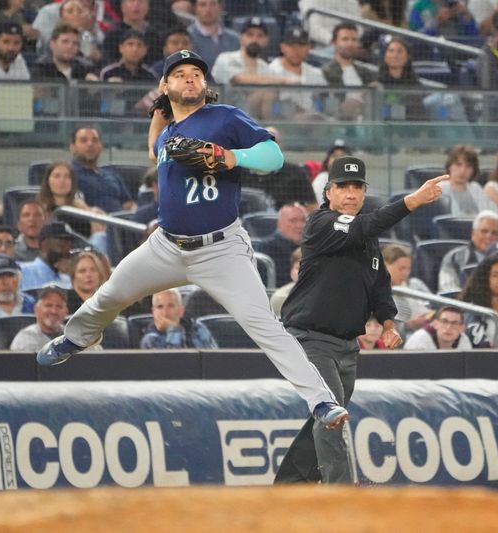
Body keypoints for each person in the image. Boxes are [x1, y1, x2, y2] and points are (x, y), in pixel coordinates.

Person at [38, 49, 351, 431]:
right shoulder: (170, 134)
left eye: (196, 74)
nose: (190, 78)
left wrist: (228, 157)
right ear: (165, 85)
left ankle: (321, 402)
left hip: (222, 249)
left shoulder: (224, 118)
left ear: (205, 84)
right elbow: (156, 151)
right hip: (167, 246)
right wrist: (157, 116)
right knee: (111, 294)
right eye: (180, 73)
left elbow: (273, 157)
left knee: (264, 325)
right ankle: (74, 339)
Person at [274, 155, 450, 484]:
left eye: (357, 187)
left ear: (364, 194)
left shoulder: (367, 239)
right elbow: (365, 225)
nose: (350, 194)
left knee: (328, 413)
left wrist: (388, 322)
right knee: (331, 415)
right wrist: (411, 201)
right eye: (343, 187)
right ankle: (342, 492)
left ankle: (288, 487)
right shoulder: (321, 223)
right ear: (329, 193)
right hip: (311, 338)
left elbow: (379, 282)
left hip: (345, 345)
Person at [437, 210, 498, 293]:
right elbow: (448, 288)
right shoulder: (454, 257)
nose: (489, 237)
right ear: (473, 233)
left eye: (494, 233)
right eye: (484, 231)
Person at [239, 127, 316, 211]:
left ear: (280, 146)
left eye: (274, 142)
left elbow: (312, 205)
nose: (269, 147)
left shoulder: (296, 172)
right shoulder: (242, 172)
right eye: (263, 143)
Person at [37, 160, 107, 250]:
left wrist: (90, 212)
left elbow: (96, 231)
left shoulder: (81, 207)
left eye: (67, 177)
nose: (62, 181)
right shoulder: (40, 208)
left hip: (86, 252)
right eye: (57, 176)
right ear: (48, 181)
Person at [69, 126, 136, 213]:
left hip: (122, 222)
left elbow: (128, 204)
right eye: (84, 140)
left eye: (95, 140)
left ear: (101, 146)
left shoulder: (112, 175)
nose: (90, 144)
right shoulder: (68, 175)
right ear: (72, 147)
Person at [267, 26, 328, 119]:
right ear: (283, 47)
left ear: (308, 48)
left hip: (311, 124)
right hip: (281, 124)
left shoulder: (315, 73)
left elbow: (327, 101)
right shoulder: (270, 71)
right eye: (291, 45)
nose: (296, 50)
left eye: (301, 45)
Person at [139, 288, 217, 349]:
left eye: (171, 306)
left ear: (181, 311)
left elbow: (212, 359)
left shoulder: (197, 328)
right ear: (153, 312)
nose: (165, 313)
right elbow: (175, 364)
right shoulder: (150, 339)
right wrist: (174, 330)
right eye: (160, 307)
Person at [383, 243, 432, 335]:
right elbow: (374, 327)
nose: (405, 273)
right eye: (401, 269)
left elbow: (434, 307)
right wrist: (408, 325)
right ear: (385, 266)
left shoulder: (416, 285)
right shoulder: (373, 292)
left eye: (408, 269)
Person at [377, 35, 427, 122]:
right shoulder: (377, 82)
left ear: (407, 57)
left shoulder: (415, 84)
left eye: (400, 51)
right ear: (385, 56)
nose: (395, 55)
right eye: (391, 51)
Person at [256, 203, 307, 287]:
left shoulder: (314, 245)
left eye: (303, 220)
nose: (300, 225)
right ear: (279, 224)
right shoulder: (267, 248)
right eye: (293, 220)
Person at [10, 285, 69, 351]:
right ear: (36, 309)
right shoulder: (25, 338)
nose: (54, 311)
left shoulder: (73, 335)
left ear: (66, 312)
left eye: (59, 306)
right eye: (48, 305)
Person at [101, 0, 162, 65]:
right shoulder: (113, 34)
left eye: (141, 1)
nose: (136, 5)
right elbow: (109, 61)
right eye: (131, 1)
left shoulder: (154, 34)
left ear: (148, 7)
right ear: (122, 7)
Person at [440, 144, 494, 216]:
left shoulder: (476, 188)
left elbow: (491, 214)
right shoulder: (439, 189)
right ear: (450, 166)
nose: (463, 171)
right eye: (458, 164)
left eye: (468, 166)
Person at [20, 221, 75, 291]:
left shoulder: (69, 279)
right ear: (44, 245)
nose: (67, 250)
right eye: (62, 244)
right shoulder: (22, 271)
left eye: (70, 245)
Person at [187, 0, 239, 73]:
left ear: (221, 7)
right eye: (203, 5)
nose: (208, 9)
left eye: (213, 4)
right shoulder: (187, 37)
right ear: (195, 8)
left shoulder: (234, 38)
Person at [404, 305, 473, 350]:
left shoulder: (464, 341)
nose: (448, 327)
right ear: (435, 324)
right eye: (444, 321)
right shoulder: (419, 340)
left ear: (462, 328)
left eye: (454, 323)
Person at [408, 0, 477, 38]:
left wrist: (466, 16)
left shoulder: (455, 4)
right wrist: (437, 21)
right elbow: (415, 37)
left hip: (459, 50)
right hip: (431, 51)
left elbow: (474, 36)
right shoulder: (419, 7)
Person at [311, 139, 351, 205]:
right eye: (335, 156)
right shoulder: (322, 179)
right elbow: (319, 206)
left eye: (343, 156)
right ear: (327, 160)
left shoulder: (356, 180)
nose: (339, 160)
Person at [270, 247, 301, 317]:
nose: (302, 272)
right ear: (291, 271)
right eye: (298, 268)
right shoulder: (280, 297)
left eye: (306, 267)